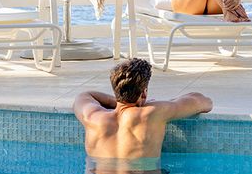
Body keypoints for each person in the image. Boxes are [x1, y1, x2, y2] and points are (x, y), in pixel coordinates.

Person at [73, 57, 212, 165]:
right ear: (144, 93)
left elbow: (85, 95)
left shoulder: (92, 116)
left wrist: (119, 101)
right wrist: (148, 104)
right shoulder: (153, 112)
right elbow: (203, 102)